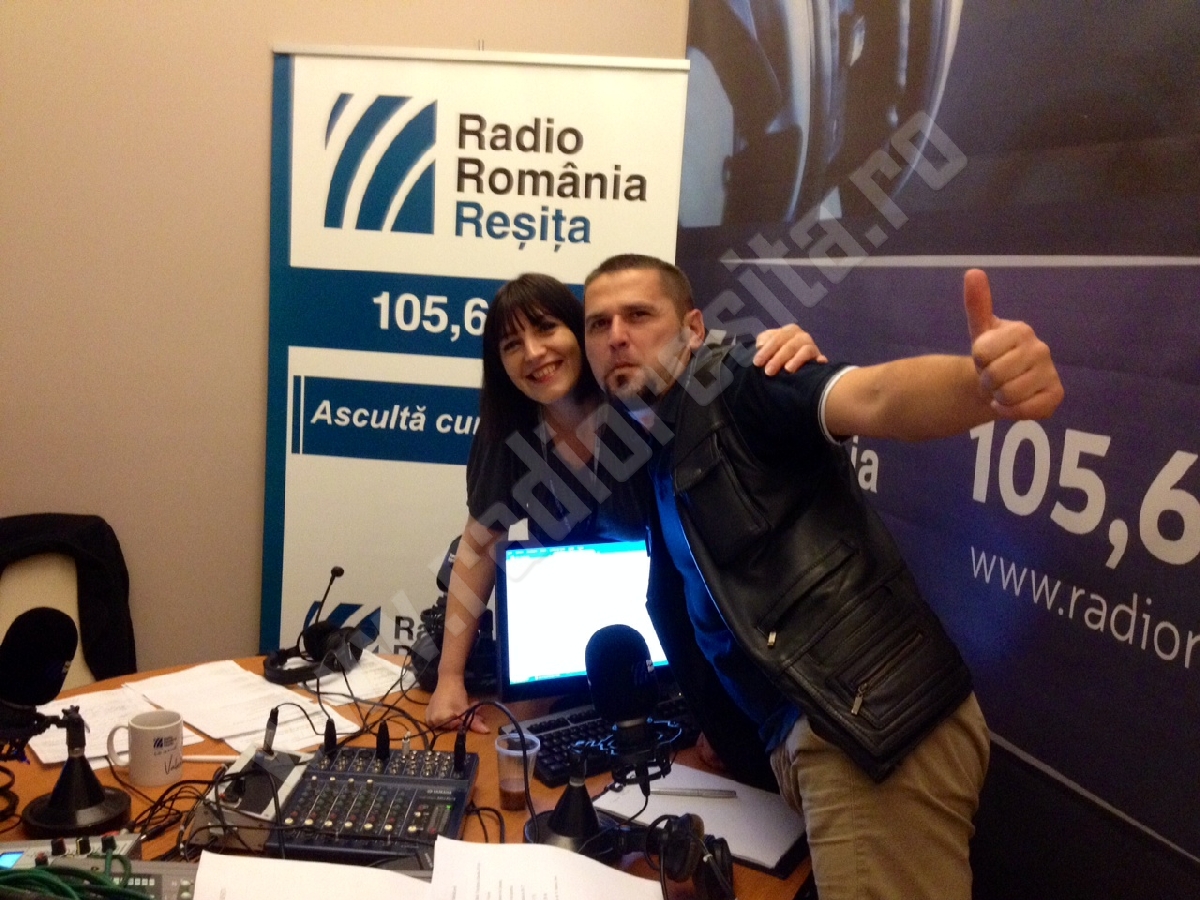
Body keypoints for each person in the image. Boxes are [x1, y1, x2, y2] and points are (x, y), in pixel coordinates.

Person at [580, 254, 1063, 900]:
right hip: (821, 733)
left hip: (867, 734)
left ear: (693, 329)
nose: (617, 335)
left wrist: (981, 389)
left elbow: (872, 396)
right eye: (599, 323)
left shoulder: (739, 383)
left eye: (638, 315)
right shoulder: (660, 442)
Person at [425, 272, 824, 734]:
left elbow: (729, 371)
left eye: (547, 328)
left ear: (581, 332)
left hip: (687, 639)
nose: (533, 352)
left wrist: (785, 354)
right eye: (512, 344)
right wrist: (449, 677)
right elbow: (479, 547)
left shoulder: (638, 393)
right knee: (521, 746)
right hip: (573, 646)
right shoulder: (507, 431)